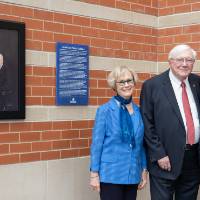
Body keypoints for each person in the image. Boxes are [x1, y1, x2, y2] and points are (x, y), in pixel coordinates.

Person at [140, 44, 200, 200]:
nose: (185, 64)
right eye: (180, 59)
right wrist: (159, 153)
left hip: (193, 160)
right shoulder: (152, 86)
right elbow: (147, 123)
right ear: (170, 61)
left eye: (189, 60)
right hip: (164, 160)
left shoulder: (197, 83)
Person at [90, 66, 148, 200]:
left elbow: (141, 144)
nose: (126, 85)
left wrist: (144, 170)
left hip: (132, 174)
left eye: (129, 80)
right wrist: (94, 174)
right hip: (111, 175)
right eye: (121, 82)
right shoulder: (105, 110)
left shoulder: (139, 111)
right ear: (114, 86)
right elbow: (97, 145)